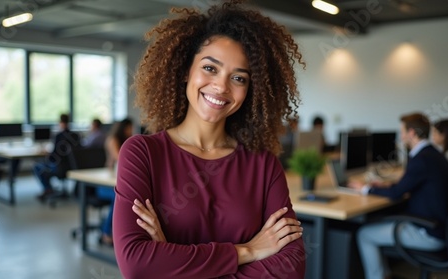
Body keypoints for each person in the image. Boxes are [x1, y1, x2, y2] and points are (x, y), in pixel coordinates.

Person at [112, 1, 306, 278]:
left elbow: (291, 267)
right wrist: (247, 251)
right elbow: (136, 263)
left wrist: (171, 260)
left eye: (239, 78)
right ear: (185, 71)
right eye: (210, 68)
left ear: (251, 90)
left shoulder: (263, 164)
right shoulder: (143, 153)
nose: (221, 87)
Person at [349, 112, 448, 279]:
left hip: (428, 232)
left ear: (411, 133)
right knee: (377, 221)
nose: (401, 136)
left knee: (364, 234)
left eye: (402, 131)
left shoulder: (421, 159)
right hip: (440, 226)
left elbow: (396, 194)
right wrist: (386, 185)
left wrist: (365, 189)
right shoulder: (433, 154)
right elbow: (406, 185)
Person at [96, 117, 133, 245]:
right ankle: (107, 232)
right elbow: (120, 158)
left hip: (117, 181)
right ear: (124, 128)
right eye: (129, 128)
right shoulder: (113, 140)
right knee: (118, 196)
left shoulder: (126, 140)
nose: (131, 131)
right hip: (104, 184)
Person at [33, 113, 80, 200]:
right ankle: (49, 189)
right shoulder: (75, 136)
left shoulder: (59, 136)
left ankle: (48, 189)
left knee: (37, 166)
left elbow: (53, 157)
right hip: (73, 167)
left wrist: (47, 155)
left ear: (60, 122)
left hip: (59, 168)